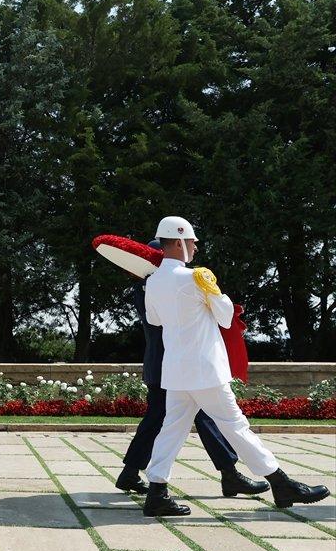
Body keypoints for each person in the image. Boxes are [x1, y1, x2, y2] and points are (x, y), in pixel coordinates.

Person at [142, 216, 330, 517]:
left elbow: (155, 320)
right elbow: (226, 316)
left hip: (177, 370)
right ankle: (280, 482)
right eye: (192, 242)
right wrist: (214, 292)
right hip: (204, 370)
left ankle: (156, 492)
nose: (195, 247)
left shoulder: (153, 281)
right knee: (236, 426)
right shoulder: (195, 277)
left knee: (171, 431)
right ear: (178, 241)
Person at [115, 240, 268, 499]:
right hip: (175, 364)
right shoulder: (152, 285)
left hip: (169, 364)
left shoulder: (153, 284)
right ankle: (230, 475)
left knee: (163, 420)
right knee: (200, 419)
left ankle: (133, 474)